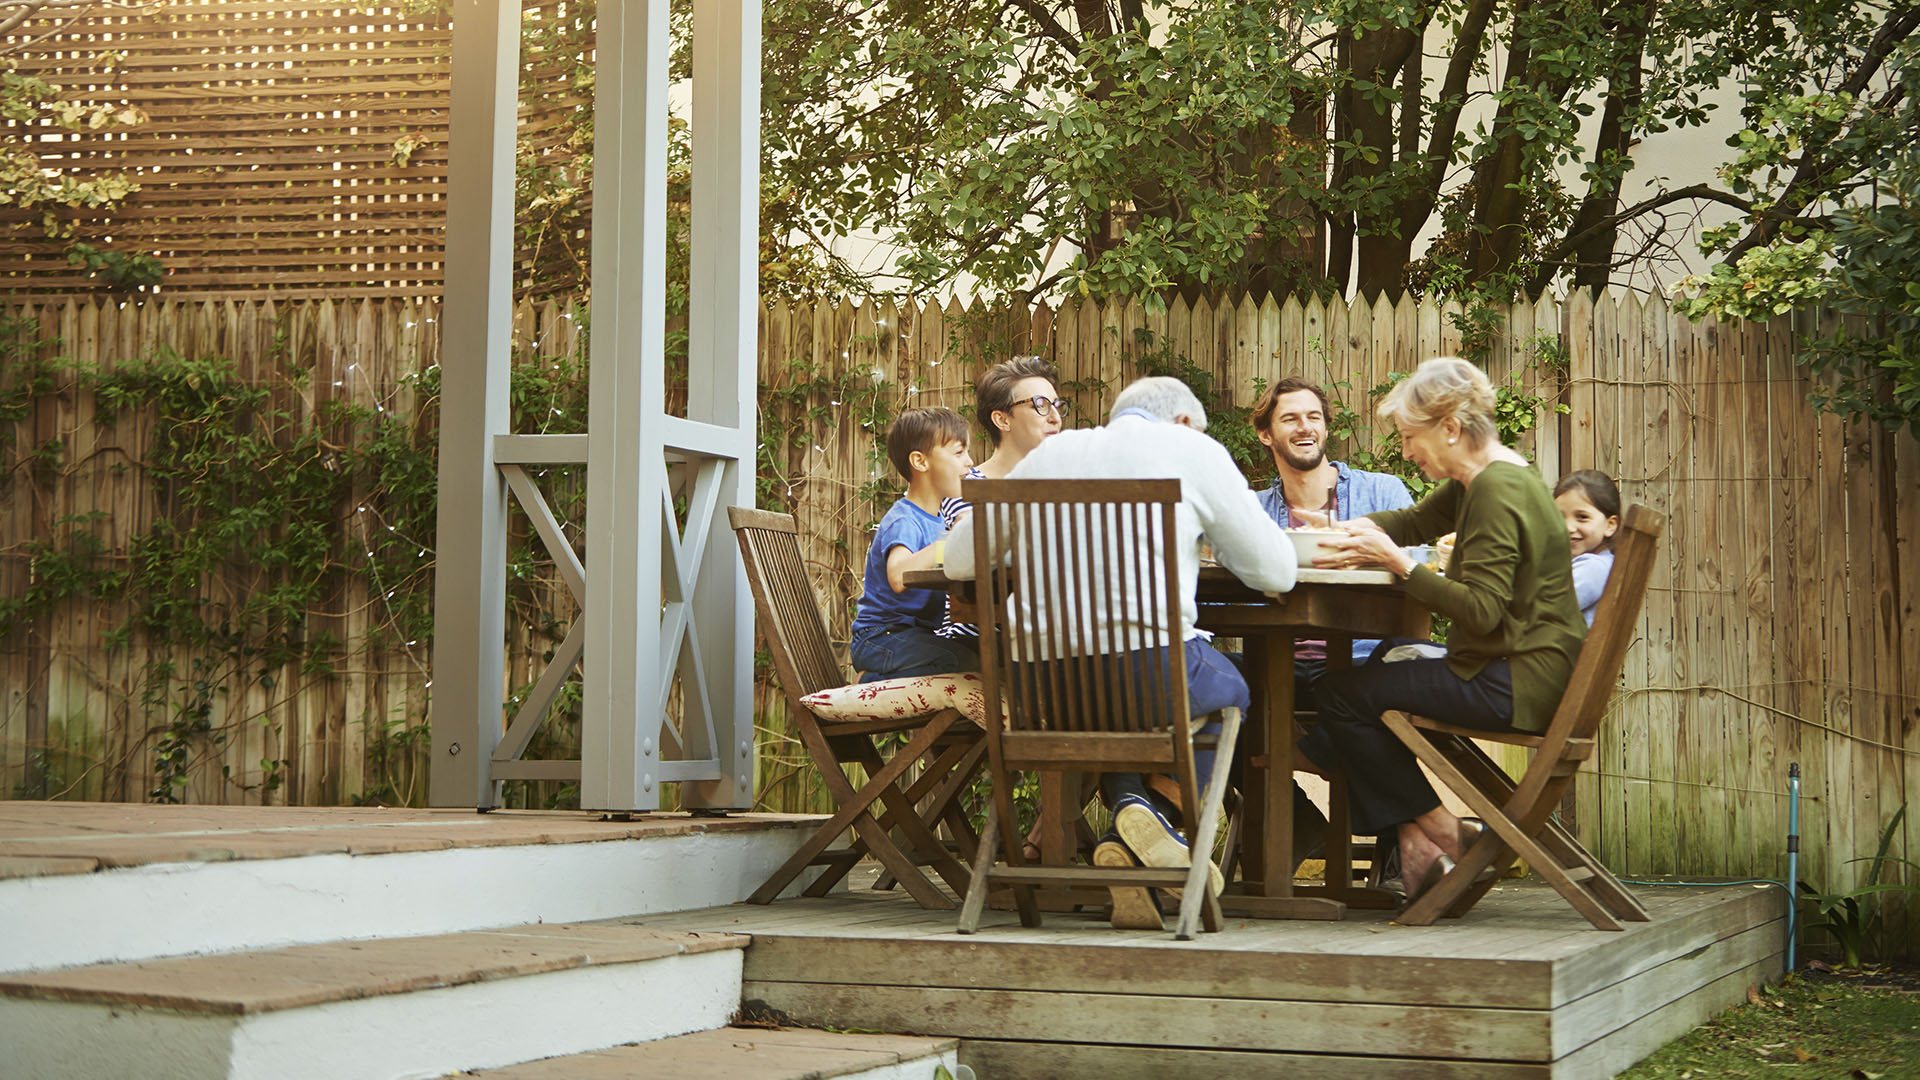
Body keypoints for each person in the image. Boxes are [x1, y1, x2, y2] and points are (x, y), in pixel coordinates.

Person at [947, 377, 1298, 927]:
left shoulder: (1050, 455)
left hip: (1043, 691)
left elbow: (960, 563)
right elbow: (1274, 570)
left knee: (1123, 703)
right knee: (1229, 687)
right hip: (1148, 674)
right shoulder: (1192, 450)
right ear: (1183, 423)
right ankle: (1153, 818)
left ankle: (1133, 830)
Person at [1303, 357, 1586, 900]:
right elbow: (1413, 522)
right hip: (1521, 668)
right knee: (1377, 667)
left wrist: (1401, 567)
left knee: (1339, 695)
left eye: (1412, 436)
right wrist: (1342, 529)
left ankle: (1437, 830)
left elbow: (1480, 611)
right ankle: (1412, 838)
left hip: (1511, 681)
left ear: (1451, 428)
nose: (1407, 451)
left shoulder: (1495, 493)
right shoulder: (1492, 477)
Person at [1249, 376, 1414, 691]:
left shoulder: (1383, 492)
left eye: (1314, 417)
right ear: (1266, 434)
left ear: (1325, 428)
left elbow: (1416, 572)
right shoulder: (1252, 513)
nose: (1305, 427)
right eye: (1290, 419)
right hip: (1277, 661)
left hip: (1364, 659)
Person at [935, 356, 1068, 643]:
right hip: (978, 643)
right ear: (1002, 419)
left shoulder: (1063, 489)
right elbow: (977, 550)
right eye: (1040, 405)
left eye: (1057, 405)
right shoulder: (967, 488)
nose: (1055, 417)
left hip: (1046, 641)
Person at [848, 407, 980, 682]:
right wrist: (951, 542)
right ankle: (868, 683)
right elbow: (899, 575)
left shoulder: (940, 517)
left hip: (914, 635)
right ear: (920, 461)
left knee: (978, 655)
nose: (970, 462)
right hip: (881, 638)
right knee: (960, 661)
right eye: (959, 453)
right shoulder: (905, 518)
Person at [1554, 469, 1621, 627]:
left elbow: (1548, 610)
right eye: (1558, 516)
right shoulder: (1597, 563)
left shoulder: (1594, 567)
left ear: (1610, 525)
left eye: (1582, 517)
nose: (1568, 527)